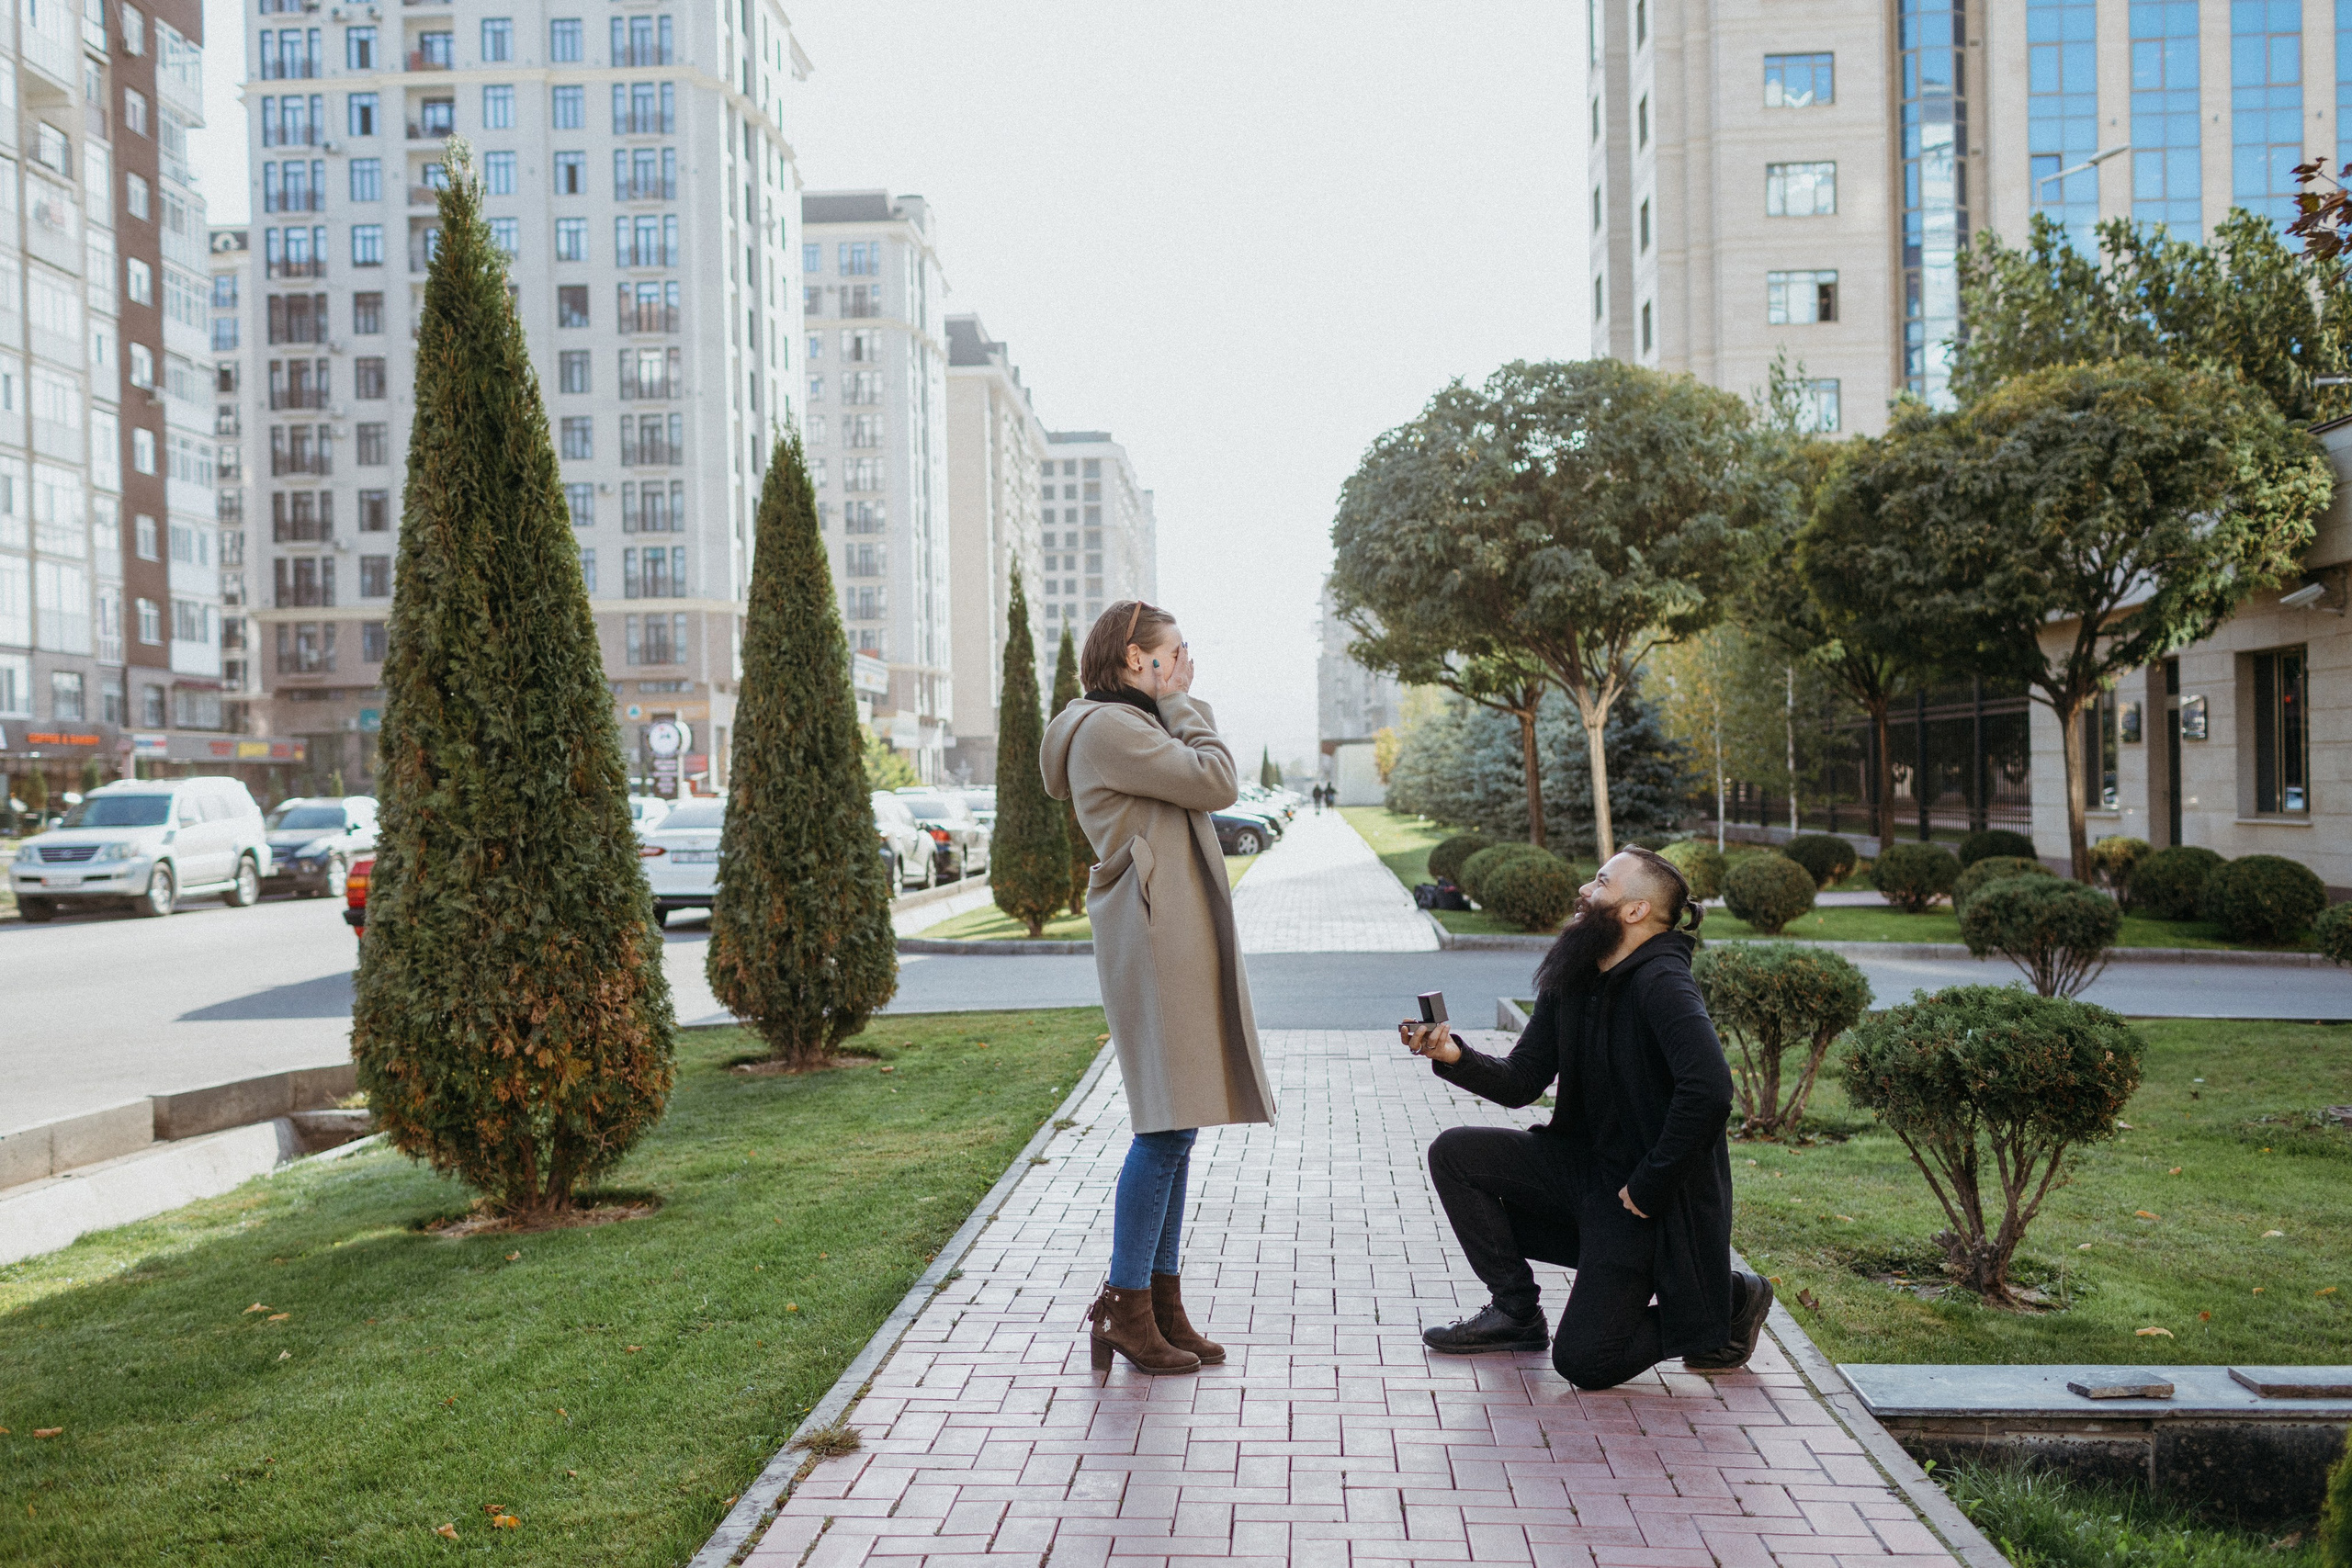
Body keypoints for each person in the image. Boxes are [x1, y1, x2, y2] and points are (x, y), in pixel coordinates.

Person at [1400, 847, 1770, 1390]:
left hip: (1641, 1204)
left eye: (1600, 883)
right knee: (1455, 1154)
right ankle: (1516, 1313)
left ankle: (1730, 1299)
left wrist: (1650, 1184)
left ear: (1635, 911)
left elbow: (1710, 1089)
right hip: (1581, 1171)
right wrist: (1455, 1055)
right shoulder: (1577, 974)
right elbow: (1523, 1078)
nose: (1584, 890)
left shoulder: (1663, 982)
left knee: (1585, 1363)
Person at [1041, 600, 1276, 1375]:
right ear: (1136, 660)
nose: (1186, 664)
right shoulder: (1112, 729)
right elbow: (1216, 779)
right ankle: (1124, 1303)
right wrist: (1181, 703)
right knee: (1165, 1126)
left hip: (1165, 927)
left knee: (1180, 1121)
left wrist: (1170, 701)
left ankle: (1160, 1305)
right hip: (1152, 932)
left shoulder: (1125, 724)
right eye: (1175, 652)